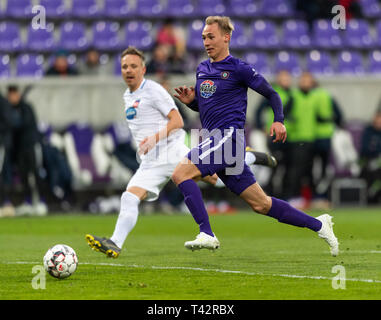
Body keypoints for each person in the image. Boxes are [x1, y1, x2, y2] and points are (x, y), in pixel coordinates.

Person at [85, 46, 278, 258]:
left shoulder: (154, 90)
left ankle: (247, 157)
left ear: (143, 68)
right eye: (124, 67)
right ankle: (115, 244)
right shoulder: (127, 95)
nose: (128, 70)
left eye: (133, 66)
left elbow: (177, 121)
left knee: (219, 179)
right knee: (129, 198)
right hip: (151, 161)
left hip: (171, 151)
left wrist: (153, 138)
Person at [172, 16, 339, 256]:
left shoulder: (239, 68)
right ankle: (320, 224)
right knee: (262, 204)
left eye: (211, 37)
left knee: (180, 173)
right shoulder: (202, 69)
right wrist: (192, 103)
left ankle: (207, 233)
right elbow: (207, 106)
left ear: (225, 37)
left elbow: (271, 94)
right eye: (203, 38)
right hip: (213, 139)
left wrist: (279, 120)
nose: (206, 42)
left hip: (228, 139)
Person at [5, 85, 47, 216]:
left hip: (31, 146)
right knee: (24, 176)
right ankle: (28, 202)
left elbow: (23, 124)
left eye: (14, 94)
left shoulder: (26, 108)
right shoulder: (10, 109)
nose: (12, 97)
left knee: (35, 173)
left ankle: (41, 202)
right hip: (20, 149)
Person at [359, 108, 381, 203]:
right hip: (369, 161)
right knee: (371, 172)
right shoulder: (368, 132)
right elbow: (365, 149)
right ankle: (371, 197)